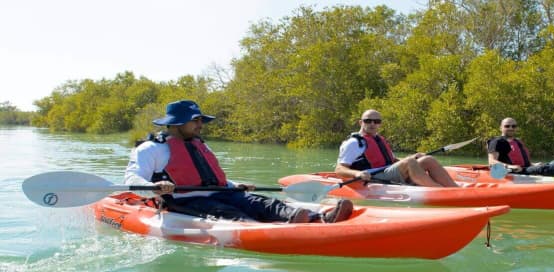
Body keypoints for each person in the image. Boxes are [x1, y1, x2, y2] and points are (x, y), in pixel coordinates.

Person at [125, 100, 353, 223]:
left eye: (200, 120)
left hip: (223, 192)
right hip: (186, 201)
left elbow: (211, 178)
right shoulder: (152, 149)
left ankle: (318, 218)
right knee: (232, 214)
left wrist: (235, 185)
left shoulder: (200, 144)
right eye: (195, 121)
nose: (200, 125)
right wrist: (154, 188)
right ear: (176, 123)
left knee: (263, 203)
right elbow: (132, 179)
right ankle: (283, 231)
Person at [334, 109, 459, 187]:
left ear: (380, 124)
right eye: (368, 121)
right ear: (361, 123)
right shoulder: (354, 143)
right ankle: (439, 191)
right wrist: (357, 173)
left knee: (427, 159)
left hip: (387, 172)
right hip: (374, 176)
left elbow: (393, 161)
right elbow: (339, 169)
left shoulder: (379, 139)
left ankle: (454, 189)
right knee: (410, 162)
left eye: (376, 121)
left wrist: (413, 157)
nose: (372, 124)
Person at [487, 117, 554, 177]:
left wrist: (533, 164)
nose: (511, 128)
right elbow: (492, 162)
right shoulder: (497, 141)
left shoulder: (517, 141)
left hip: (525, 169)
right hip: (514, 173)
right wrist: (510, 166)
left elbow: (521, 161)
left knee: (549, 165)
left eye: (513, 126)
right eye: (507, 126)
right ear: (501, 127)